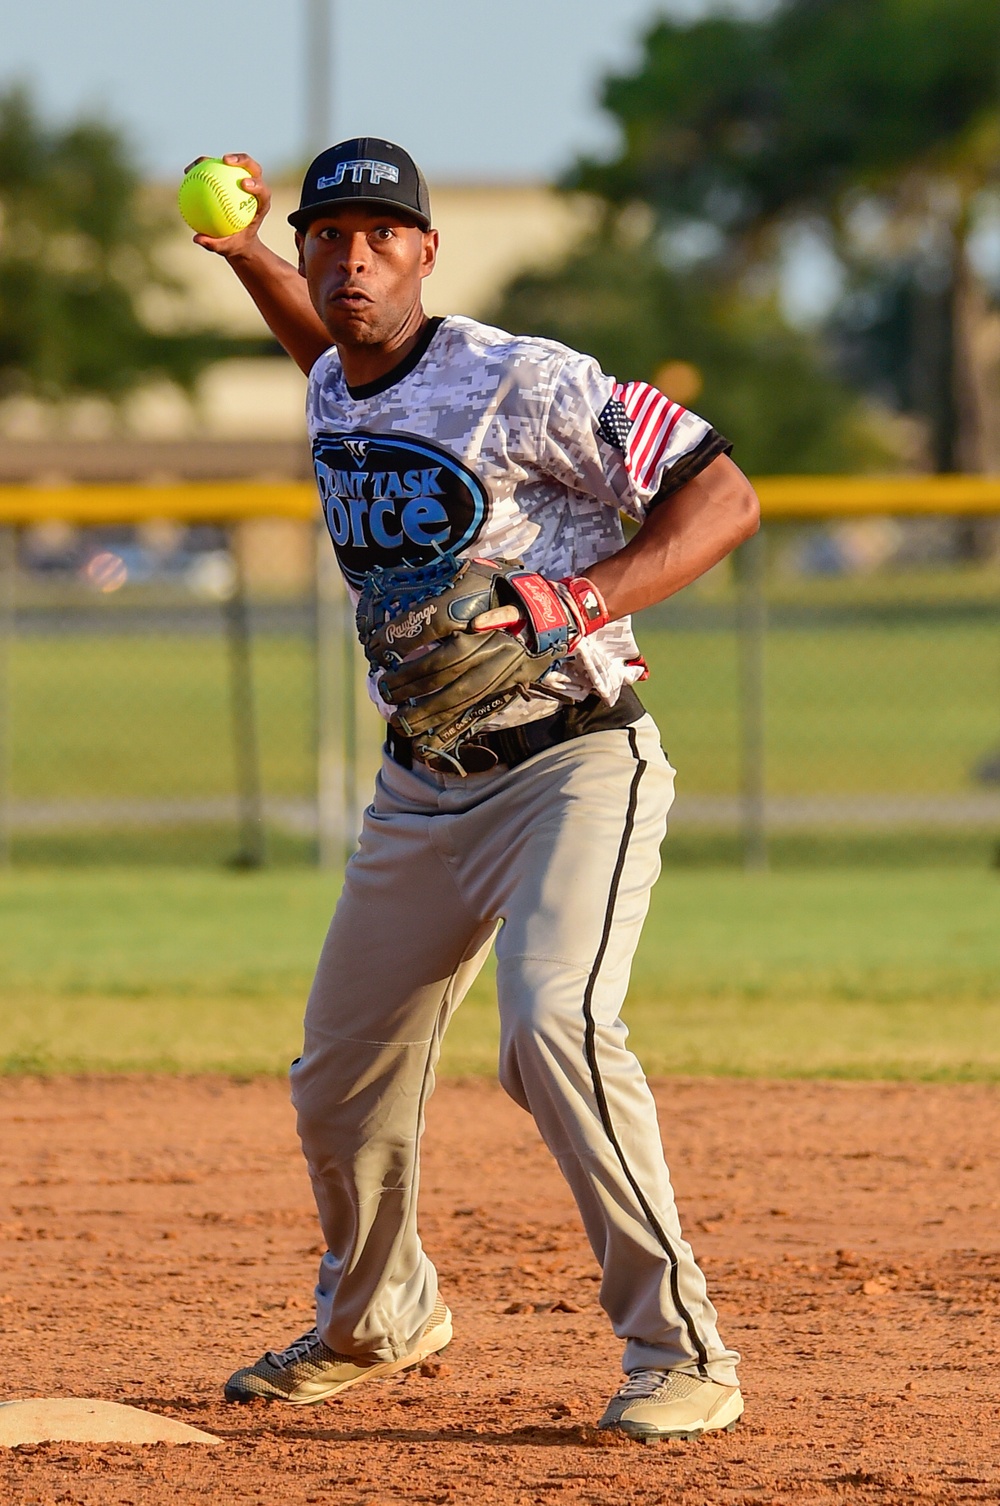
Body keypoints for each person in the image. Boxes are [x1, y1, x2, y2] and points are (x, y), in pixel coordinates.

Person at [190, 137, 758, 1442]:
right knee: (338, 1076)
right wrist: (241, 255)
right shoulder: (340, 373)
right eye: (328, 236)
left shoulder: (524, 380)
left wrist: (578, 594)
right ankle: (377, 1313)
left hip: (573, 761)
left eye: (381, 235)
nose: (350, 257)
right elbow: (330, 362)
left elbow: (725, 494)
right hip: (423, 788)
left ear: (428, 251)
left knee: (548, 1027)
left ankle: (683, 1350)